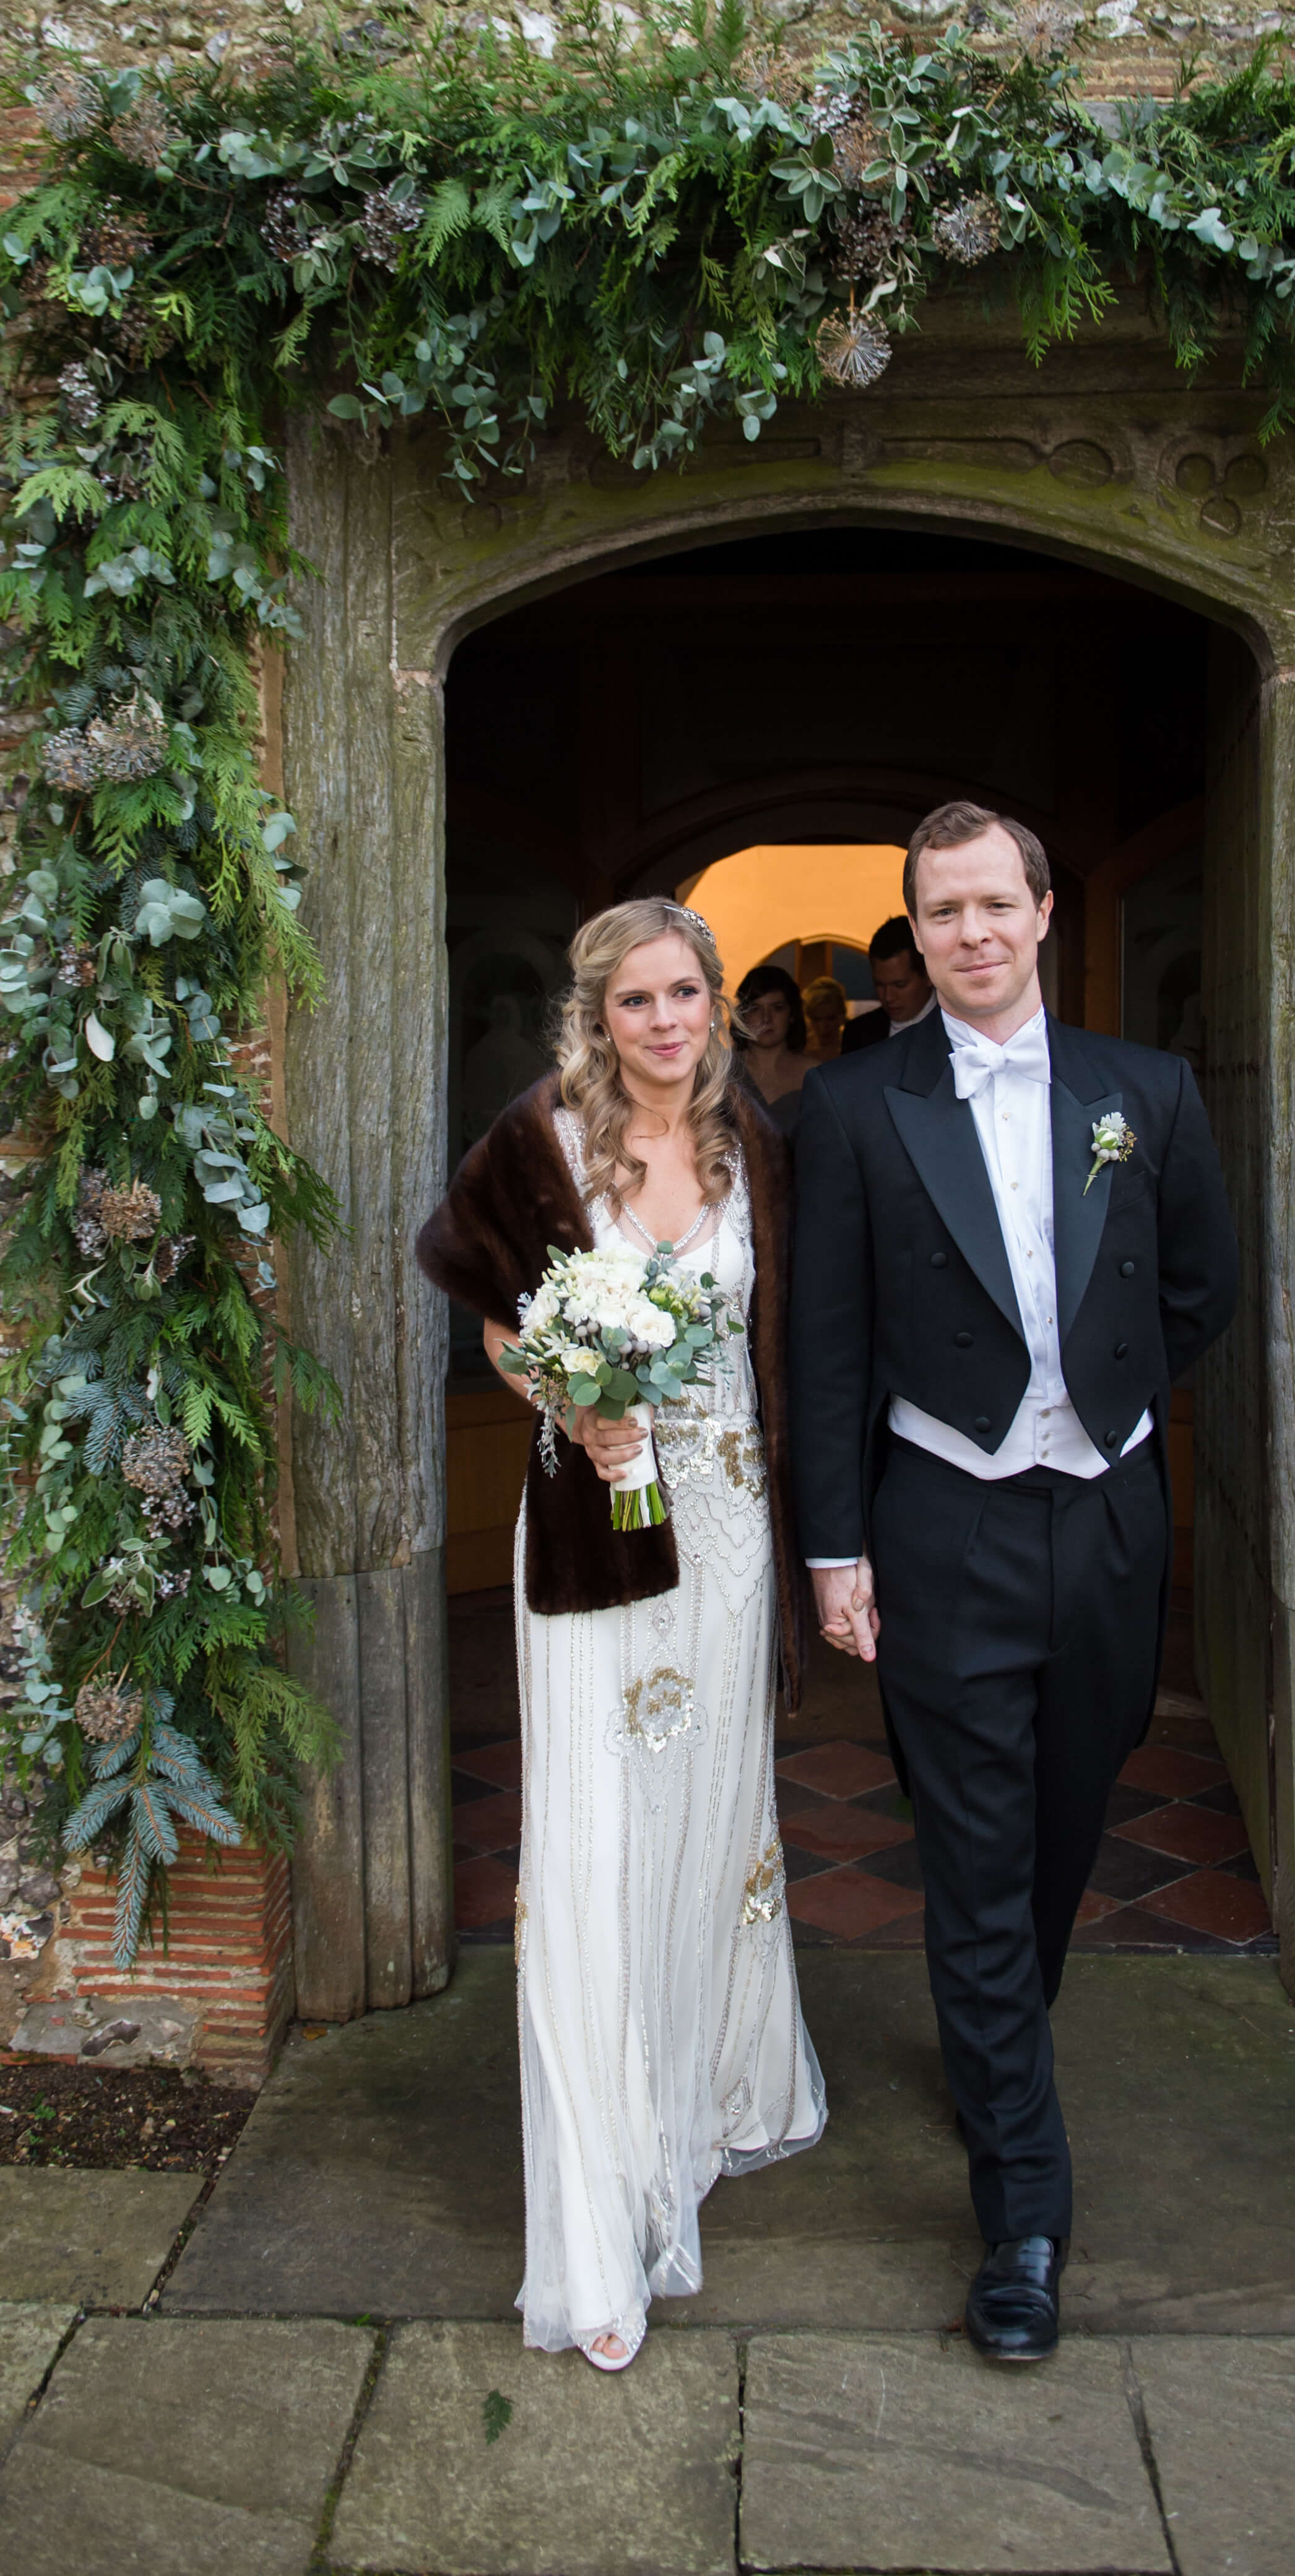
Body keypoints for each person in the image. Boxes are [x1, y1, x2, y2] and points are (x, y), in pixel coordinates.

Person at [790, 802, 1237, 2365]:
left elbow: (1199, 1291)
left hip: (1105, 1514)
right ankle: (1022, 2216)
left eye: (992, 903)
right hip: (943, 1524)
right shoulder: (850, 1109)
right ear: (909, 932)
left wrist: (1102, 1405)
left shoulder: (1146, 1091)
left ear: (1043, 912)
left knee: (1068, 1813)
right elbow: (826, 1342)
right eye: (937, 911)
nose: (967, 933)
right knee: (973, 1856)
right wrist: (834, 1550)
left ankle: (999, 2048)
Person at [417, 898, 826, 2372]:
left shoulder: (750, 1147)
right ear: (593, 1018)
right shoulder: (538, 1143)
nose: (665, 1022)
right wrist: (568, 1398)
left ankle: (698, 2113)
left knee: (710, 1825)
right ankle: (596, 2227)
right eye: (635, 1001)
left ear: (718, 1003)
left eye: (686, 995)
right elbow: (489, 1321)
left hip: (724, 1532)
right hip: (593, 1531)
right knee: (591, 1855)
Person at [734, 961, 816, 1140]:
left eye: (777, 1008)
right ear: (742, 1016)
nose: (766, 1018)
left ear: (792, 1014)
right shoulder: (722, 1071)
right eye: (755, 1009)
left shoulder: (815, 1075)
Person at [841, 916, 936, 1054]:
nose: (888, 997)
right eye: (880, 985)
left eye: (900, 985)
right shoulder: (857, 1034)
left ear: (929, 975)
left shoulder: (959, 1027)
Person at [801, 974, 849, 1063]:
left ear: (842, 1016)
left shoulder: (854, 1049)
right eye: (817, 1020)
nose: (823, 1027)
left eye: (831, 1019)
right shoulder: (799, 1051)